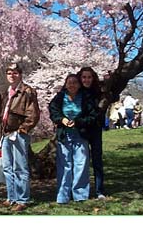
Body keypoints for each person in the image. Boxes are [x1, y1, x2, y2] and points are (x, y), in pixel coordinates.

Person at [49, 73, 98, 204]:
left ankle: (80, 195)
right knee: (64, 165)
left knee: (81, 164)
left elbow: (92, 116)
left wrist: (78, 122)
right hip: (64, 134)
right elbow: (53, 111)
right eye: (69, 82)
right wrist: (62, 120)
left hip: (80, 134)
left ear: (79, 84)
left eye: (75, 82)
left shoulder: (86, 98)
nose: (72, 85)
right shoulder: (59, 97)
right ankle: (63, 196)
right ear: (65, 84)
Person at [0, 63, 40, 212]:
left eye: (15, 72)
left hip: (18, 133)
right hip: (6, 133)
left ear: (20, 74)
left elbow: (33, 114)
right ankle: (11, 197)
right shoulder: (8, 91)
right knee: (7, 168)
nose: (12, 75)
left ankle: (22, 199)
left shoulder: (27, 91)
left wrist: (23, 129)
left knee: (20, 168)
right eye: (9, 72)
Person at [76, 67, 106, 200]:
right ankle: (80, 191)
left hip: (95, 129)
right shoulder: (76, 92)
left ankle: (100, 190)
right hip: (80, 129)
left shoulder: (98, 92)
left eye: (89, 77)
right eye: (84, 77)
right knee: (80, 161)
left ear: (93, 78)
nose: (86, 80)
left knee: (97, 159)